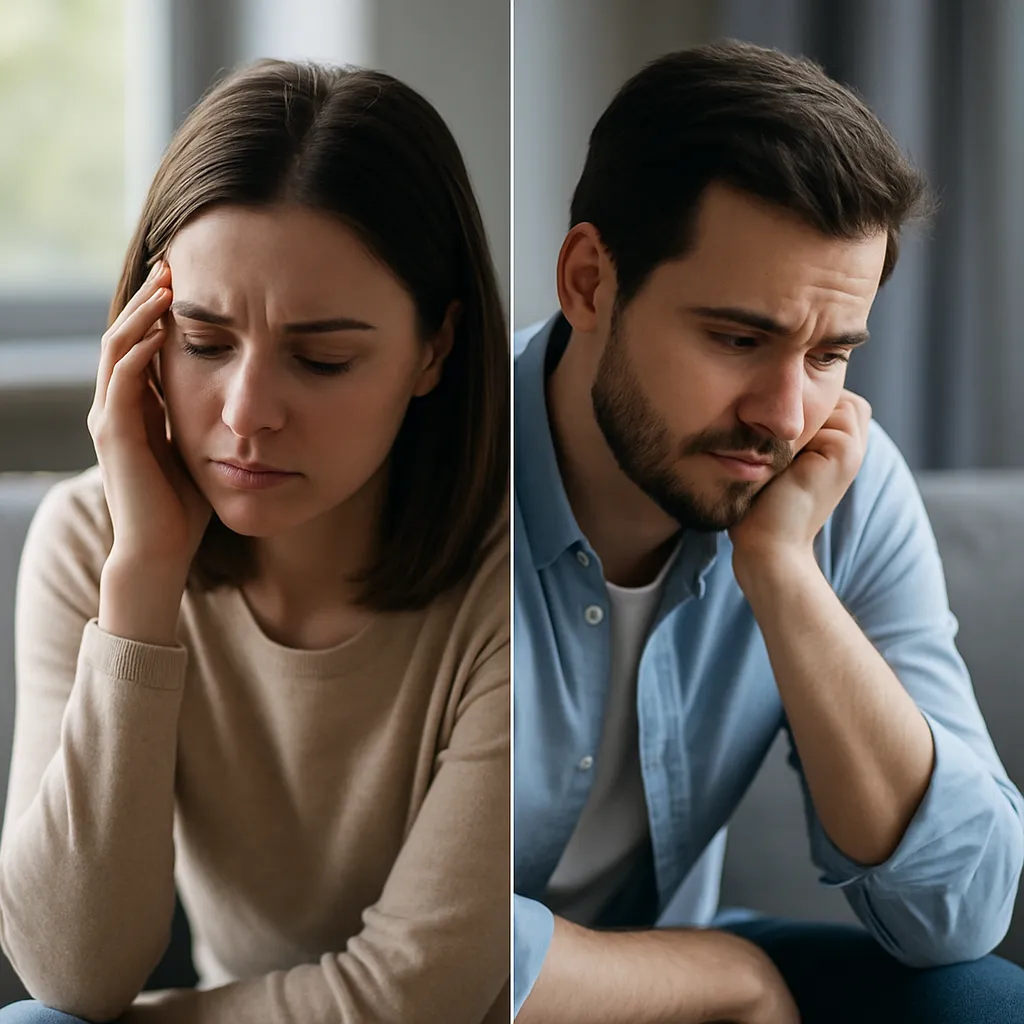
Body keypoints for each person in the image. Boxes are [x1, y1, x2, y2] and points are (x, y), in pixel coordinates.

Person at [513, 40, 1024, 1024]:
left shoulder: (837, 482)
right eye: (738, 339)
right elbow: (369, 914)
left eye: (830, 352)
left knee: (983, 1006)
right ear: (587, 282)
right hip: (455, 985)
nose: (785, 415)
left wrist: (784, 575)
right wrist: (731, 980)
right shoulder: (432, 470)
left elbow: (955, 908)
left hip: (657, 962)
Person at [0, 59, 509, 1024]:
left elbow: (415, 998)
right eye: (201, 340)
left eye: (322, 359)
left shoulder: (512, 575)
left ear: (436, 348)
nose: (246, 413)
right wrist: (144, 583)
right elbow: (70, 973)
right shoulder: (90, 544)